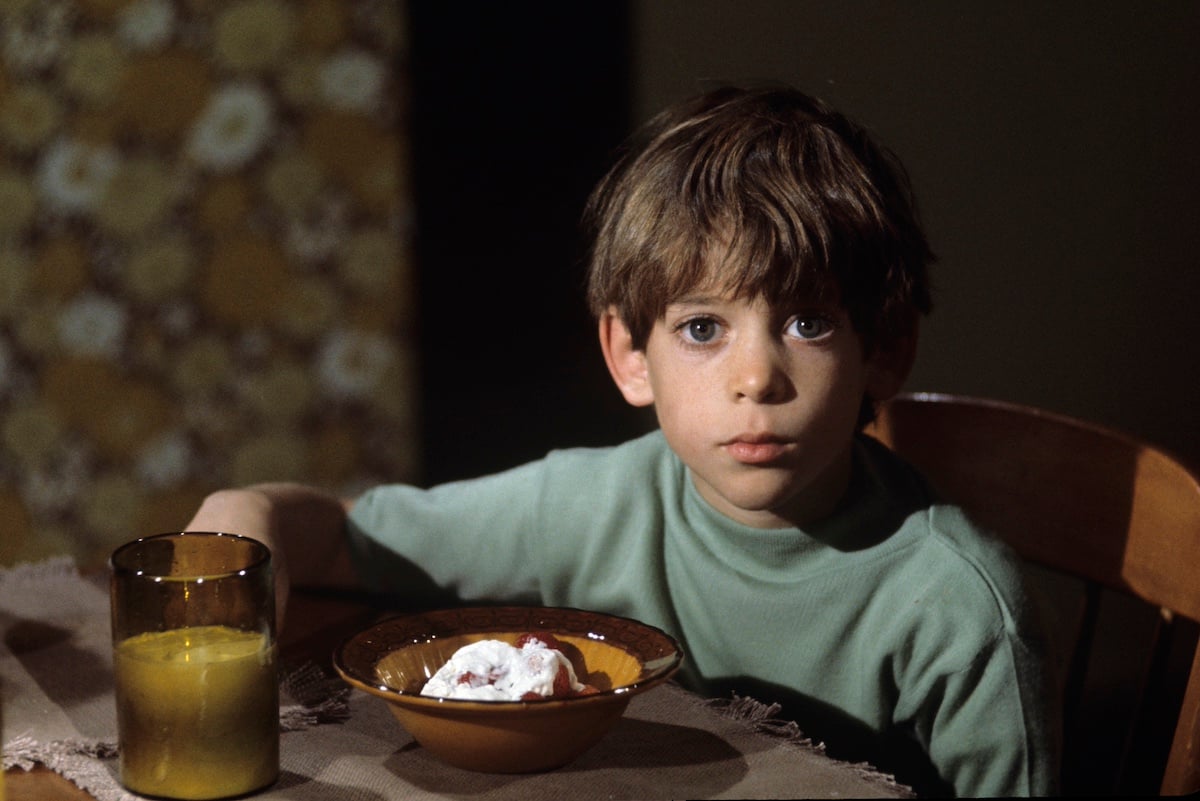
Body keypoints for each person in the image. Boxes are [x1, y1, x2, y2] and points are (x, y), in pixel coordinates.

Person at [187, 85, 1059, 796]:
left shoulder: (957, 610)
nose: (756, 376)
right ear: (629, 357)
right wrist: (245, 509)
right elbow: (344, 535)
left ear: (887, 349)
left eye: (805, 319)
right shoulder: (585, 505)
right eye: (703, 328)